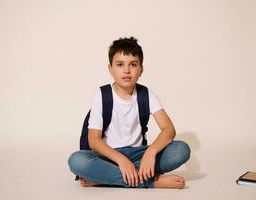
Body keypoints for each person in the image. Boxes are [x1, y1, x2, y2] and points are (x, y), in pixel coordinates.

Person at [68, 37, 190, 189]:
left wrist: (150, 153)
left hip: (140, 154)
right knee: (76, 160)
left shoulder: (146, 95)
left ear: (141, 69)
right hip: (109, 156)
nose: (126, 70)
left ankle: (106, 178)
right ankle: (151, 181)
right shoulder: (101, 95)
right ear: (110, 69)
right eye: (120, 65)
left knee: (181, 150)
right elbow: (93, 140)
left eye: (133, 64)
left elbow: (169, 129)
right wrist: (122, 161)